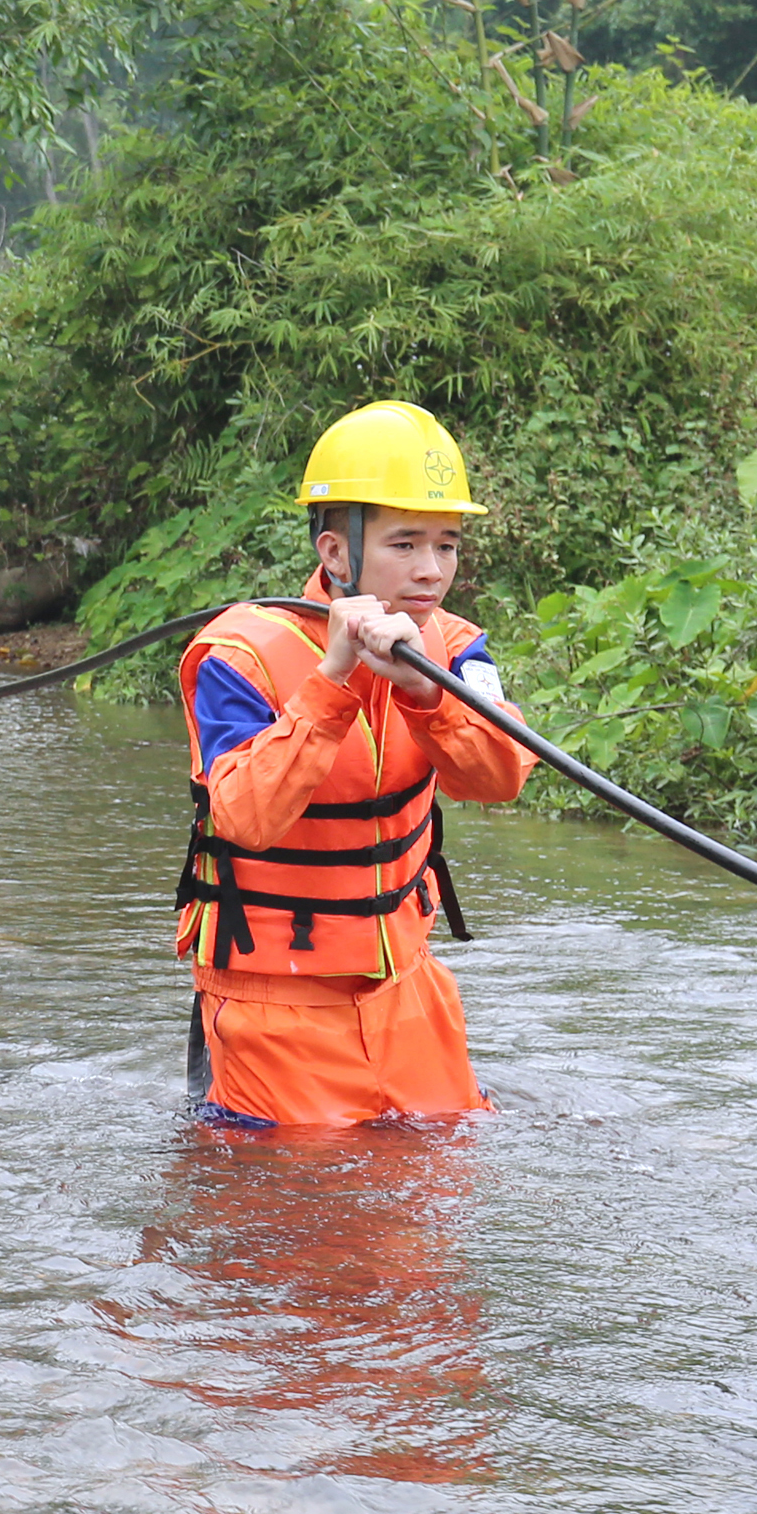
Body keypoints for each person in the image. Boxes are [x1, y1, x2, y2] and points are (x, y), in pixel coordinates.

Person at [173, 401, 535, 1130]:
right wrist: (333, 682)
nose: (431, 570)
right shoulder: (238, 655)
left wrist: (428, 693)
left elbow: (500, 777)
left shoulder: (458, 648)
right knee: (295, 1217)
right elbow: (243, 815)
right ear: (336, 553)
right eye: (405, 543)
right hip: (271, 1012)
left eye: (447, 543)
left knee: (435, 1204)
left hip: (406, 992)